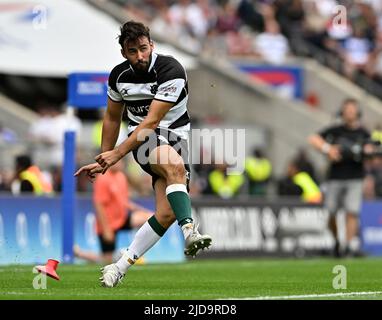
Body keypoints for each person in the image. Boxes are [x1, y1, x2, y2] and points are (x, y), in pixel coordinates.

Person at [74, 21, 212, 287]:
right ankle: (190, 230)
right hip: (143, 139)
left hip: (176, 138)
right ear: (124, 53)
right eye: (133, 51)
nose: (140, 56)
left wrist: (116, 154)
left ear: (152, 45)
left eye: (143, 49)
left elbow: (154, 119)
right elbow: (114, 118)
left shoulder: (171, 69)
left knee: (165, 213)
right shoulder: (118, 77)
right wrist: (107, 156)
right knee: (174, 168)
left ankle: (119, 266)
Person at [308, 98, 374, 257]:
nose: (350, 113)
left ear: (357, 113)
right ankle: (337, 242)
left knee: (352, 212)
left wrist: (368, 151)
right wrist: (327, 149)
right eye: (347, 110)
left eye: (352, 110)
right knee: (331, 212)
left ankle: (349, 247)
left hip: (355, 177)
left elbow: (372, 151)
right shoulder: (335, 130)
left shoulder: (363, 133)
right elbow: (313, 139)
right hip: (335, 177)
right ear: (342, 112)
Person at [74, 159, 153, 264]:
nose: (121, 163)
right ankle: (80, 253)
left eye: (121, 161)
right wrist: (106, 229)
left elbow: (124, 201)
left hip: (121, 218)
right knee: (107, 259)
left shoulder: (121, 177)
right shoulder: (102, 179)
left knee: (149, 218)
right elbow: (99, 205)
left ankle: (135, 250)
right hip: (108, 223)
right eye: (118, 161)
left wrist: (142, 210)